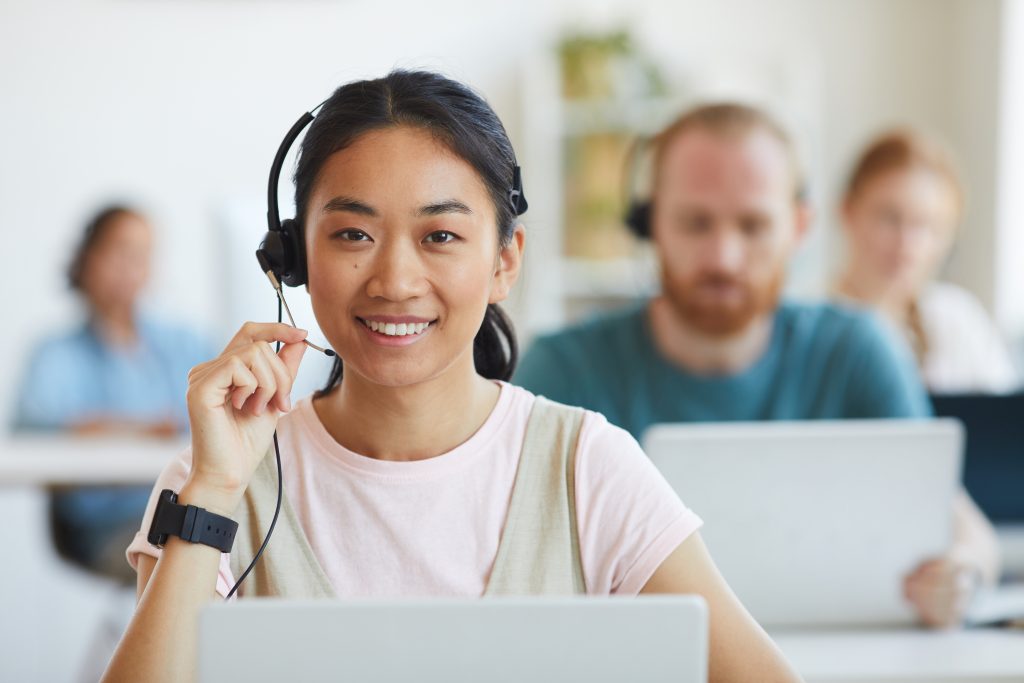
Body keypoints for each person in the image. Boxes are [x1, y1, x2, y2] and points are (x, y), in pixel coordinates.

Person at [104, 72, 800, 682]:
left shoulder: (585, 463)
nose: (395, 279)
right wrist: (214, 490)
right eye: (353, 234)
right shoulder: (216, 478)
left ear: (504, 261)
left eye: (440, 236)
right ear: (292, 260)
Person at [514, 103, 998, 628]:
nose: (723, 256)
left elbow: (964, 529)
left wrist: (963, 572)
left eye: (752, 225)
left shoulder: (859, 350)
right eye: (696, 222)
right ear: (650, 222)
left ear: (799, 227)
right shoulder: (563, 370)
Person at [12, 205, 211, 583]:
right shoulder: (55, 353)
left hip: (190, 509)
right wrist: (140, 429)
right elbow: (33, 431)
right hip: (108, 526)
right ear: (88, 258)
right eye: (120, 251)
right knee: (200, 561)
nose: (130, 267)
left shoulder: (184, 342)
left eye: (141, 256)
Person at [834, 130, 1019, 393]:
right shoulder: (806, 329)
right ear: (848, 212)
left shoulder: (960, 320)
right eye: (889, 217)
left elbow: (1006, 425)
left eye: (926, 225)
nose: (906, 244)